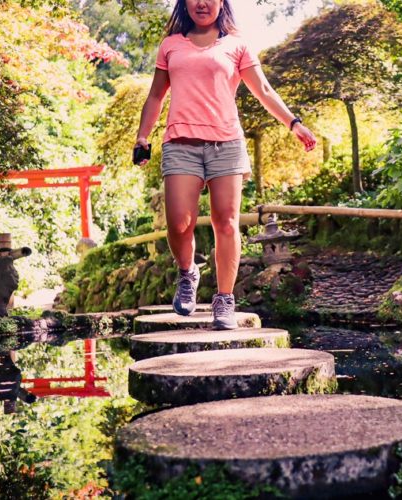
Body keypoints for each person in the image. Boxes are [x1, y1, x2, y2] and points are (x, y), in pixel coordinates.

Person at [134, 0, 316, 329]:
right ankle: (188, 272)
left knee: (227, 223)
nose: (201, 3)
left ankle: (224, 299)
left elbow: (262, 89)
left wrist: (294, 123)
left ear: (221, 2)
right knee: (178, 224)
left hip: (226, 145)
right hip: (180, 144)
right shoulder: (171, 45)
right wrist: (142, 137)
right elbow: (155, 96)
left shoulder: (237, 45)